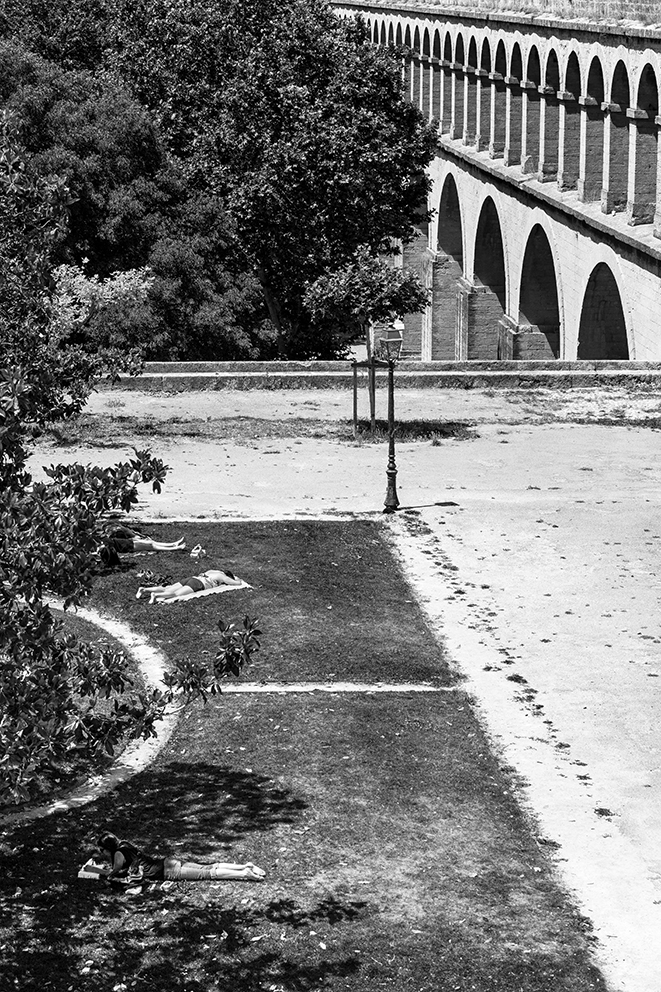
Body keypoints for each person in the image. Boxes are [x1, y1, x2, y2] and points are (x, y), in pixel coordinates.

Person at [96, 832, 266, 884]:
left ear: (109, 848)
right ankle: (245, 866)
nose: (102, 853)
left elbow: (117, 869)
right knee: (208, 866)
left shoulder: (118, 853)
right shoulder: (124, 844)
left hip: (169, 871)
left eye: (102, 850)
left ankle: (245, 874)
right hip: (168, 861)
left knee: (208, 874)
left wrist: (109, 875)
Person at [136, 568, 243, 603]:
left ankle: (144, 589)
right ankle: (156, 596)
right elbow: (236, 583)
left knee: (167, 588)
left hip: (192, 578)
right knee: (176, 594)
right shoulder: (222, 576)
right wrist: (237, 579)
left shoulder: (212, 571)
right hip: (198, 584)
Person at [107, 526, 186, 553]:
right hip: (127, 546)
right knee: (151, 546)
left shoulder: (104, 540)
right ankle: (175, 548)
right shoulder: (104, 545)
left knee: (150, 543)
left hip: (127, 542)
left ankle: (173, 544)